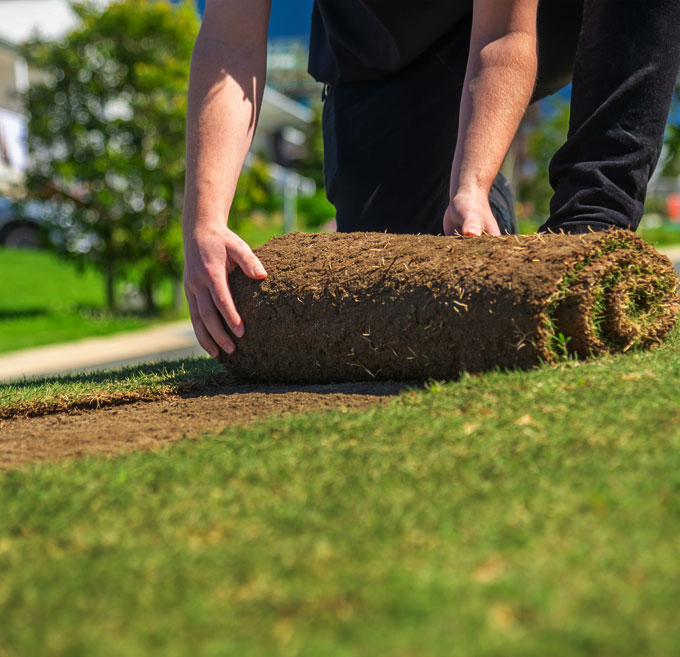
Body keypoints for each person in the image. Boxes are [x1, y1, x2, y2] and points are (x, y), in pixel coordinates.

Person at [182, 0, 680, 358]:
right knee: (412, 292)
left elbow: (504, 34)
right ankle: (494, 229)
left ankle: (589, 223)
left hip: (534, 21)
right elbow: (231, 41)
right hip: (384, 57)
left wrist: (471, 183)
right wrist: (205, 220)